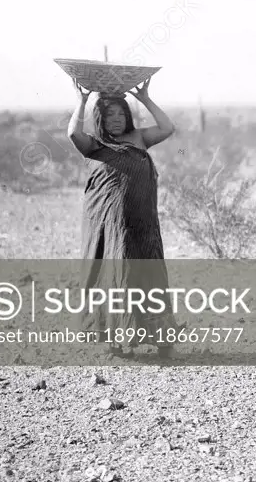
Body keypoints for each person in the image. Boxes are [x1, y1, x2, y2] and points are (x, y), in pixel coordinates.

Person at [68, 79, 176, 357]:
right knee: (115, 275)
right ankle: (118, 339)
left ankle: (160, 337)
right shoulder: (93, 145)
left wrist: (146, 99)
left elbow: (167, 128)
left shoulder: (139, 138)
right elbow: (72, 132)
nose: (116, 120)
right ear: (99, 118)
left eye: (121, 114)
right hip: (110, 225)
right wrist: (81, 100)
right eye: (109, 115)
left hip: (142, 223)